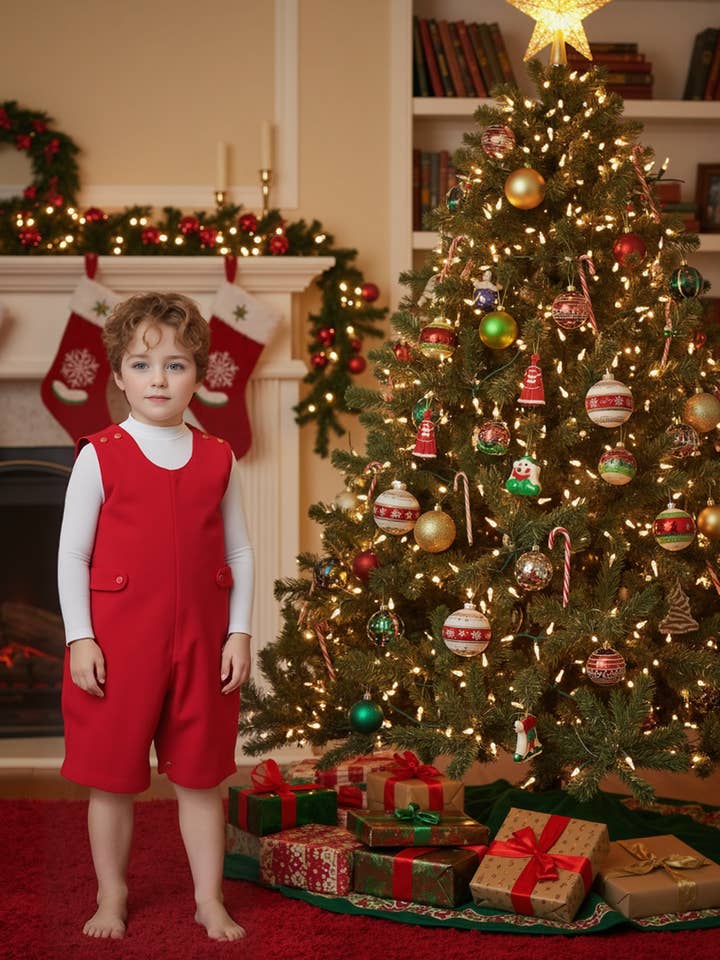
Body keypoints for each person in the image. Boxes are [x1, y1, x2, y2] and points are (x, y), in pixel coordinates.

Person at [57, 291, 253, 941]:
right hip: (118, 643)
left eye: (175, 365)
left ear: (198, 374)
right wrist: (80, 638)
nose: (159, 379)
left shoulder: (218, 458)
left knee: (200, 776)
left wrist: (240, 633)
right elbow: (72, 553)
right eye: (142, 366)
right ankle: (111, 893)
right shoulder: (100, 453)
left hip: (201, 643)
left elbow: (239, 551)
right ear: (118, 377)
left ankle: (207, 896)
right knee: (112, 779)